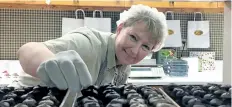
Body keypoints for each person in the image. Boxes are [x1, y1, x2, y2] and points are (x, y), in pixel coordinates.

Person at [16, 4, 167, 93]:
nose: (135, 50)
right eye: (133, 37)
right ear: (120, 29)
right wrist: (50, 62)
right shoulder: (88, 44)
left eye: (145, 47)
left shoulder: (124, 67)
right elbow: (27, 50)